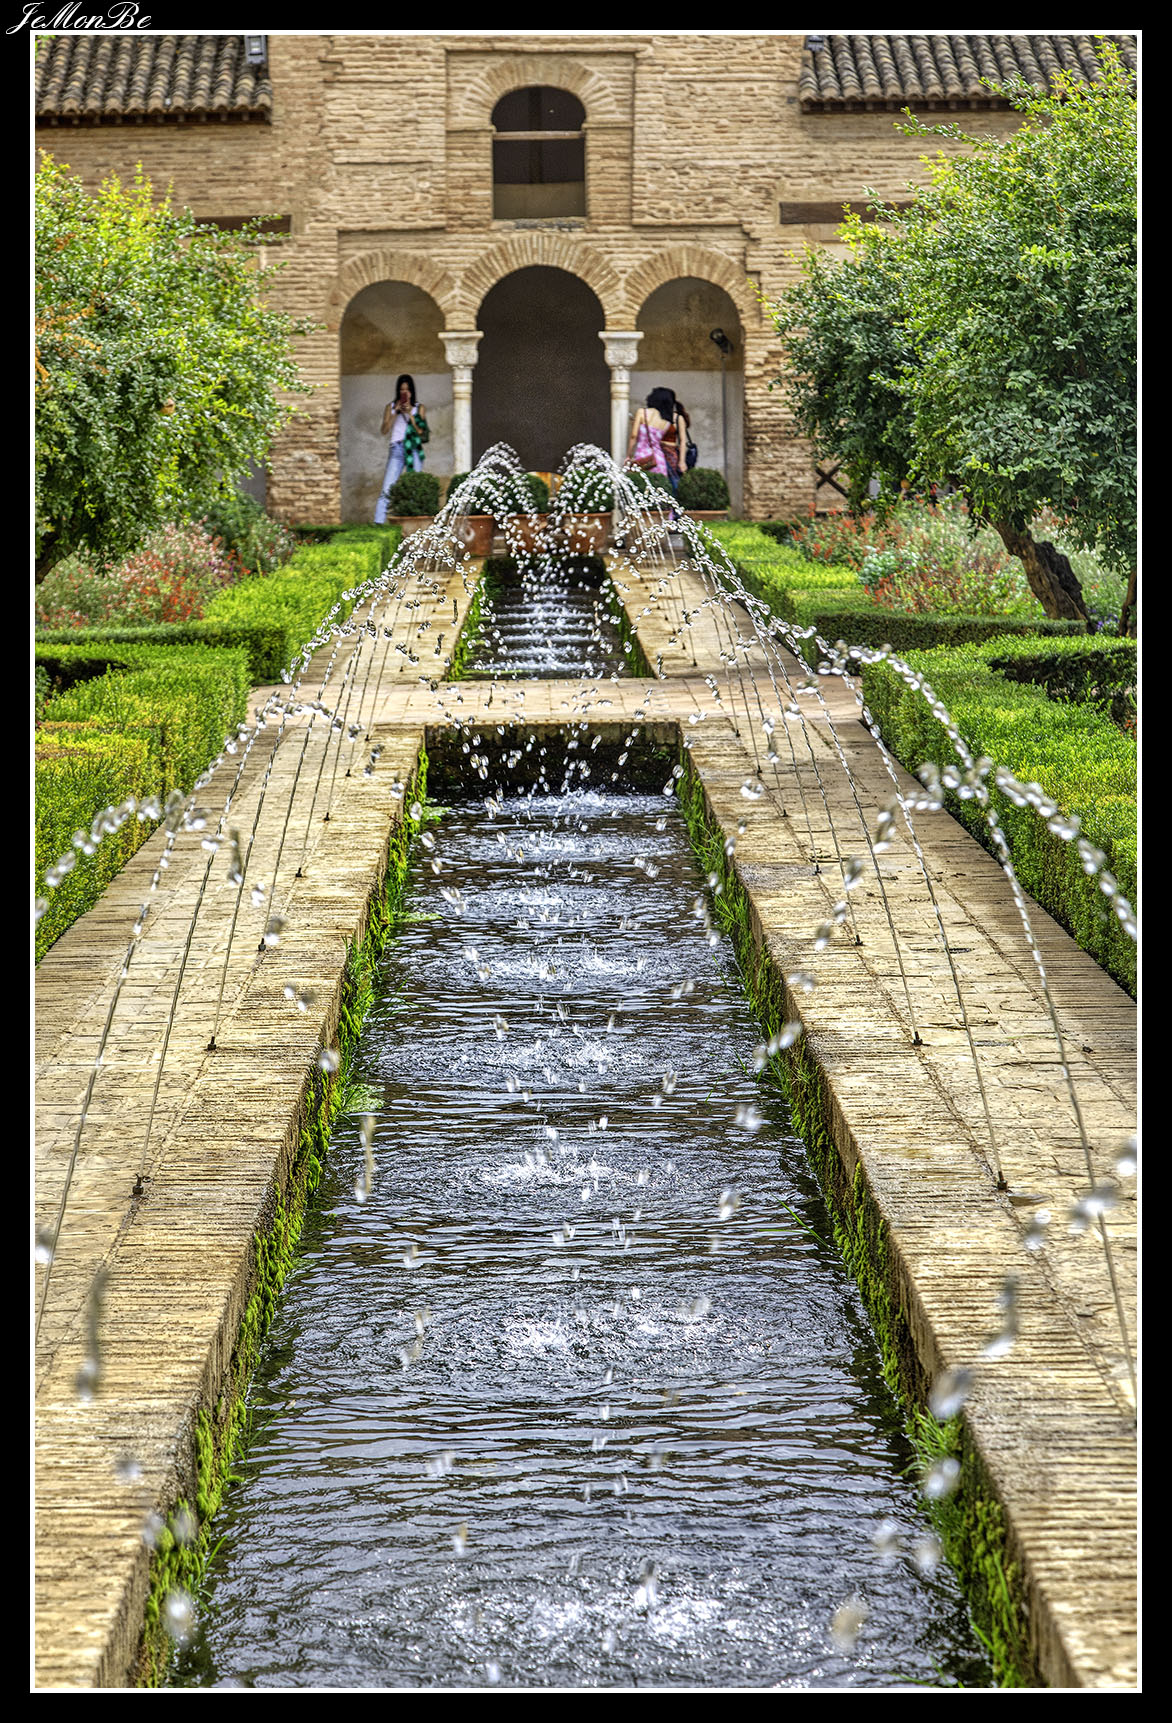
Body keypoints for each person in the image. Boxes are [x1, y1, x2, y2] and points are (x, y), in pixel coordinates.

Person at [374, 374, 427, 523]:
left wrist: (410, 414)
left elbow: (421, 432)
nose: (405, 393)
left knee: (414, 487)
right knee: (387, 488)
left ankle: (413, 521)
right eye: (402, 390)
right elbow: (384, 430)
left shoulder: (419, 408)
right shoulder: (390, 407)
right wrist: (395, 412)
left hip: (413, 449)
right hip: (396, 448)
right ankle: (378, 522)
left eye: (407, 390)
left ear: (412, 391)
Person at [625, 387, 675, 481]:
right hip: (658, 460)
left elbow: (634, 436)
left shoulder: (642, 412)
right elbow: (656, 439)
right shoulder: (667, 422)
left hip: (642, 457)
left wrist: (628, 455)